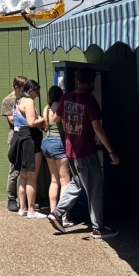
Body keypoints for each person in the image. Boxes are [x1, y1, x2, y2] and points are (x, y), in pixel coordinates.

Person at [48, 67, 120, 239]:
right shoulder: (90, 102)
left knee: (77, 182)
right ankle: (98, 228)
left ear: (77, 80)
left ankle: (57, 212)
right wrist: (111, 151)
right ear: (93, 83)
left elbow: (55, 118)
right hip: (86, 151)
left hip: (71, 150)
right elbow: (97, 128)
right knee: (94, 187)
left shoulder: (66, 97)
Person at [12, 80, 47, 219]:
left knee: (23, 176)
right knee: (32, 177)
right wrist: (43, 119)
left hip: (19, 140)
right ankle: (31, 210)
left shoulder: (17, 101)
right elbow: (32, 123)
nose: (37, 95)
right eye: (37, 92)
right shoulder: (29, 101)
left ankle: (22, 208)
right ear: (31, 90)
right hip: (30, 141)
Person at [41, 84, 72, 213]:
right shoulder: (60, 106)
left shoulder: (46, 108)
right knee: (65, 181)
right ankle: (62, 216)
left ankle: (53, 212)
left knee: (54, 180)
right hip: (58, 142)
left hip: (46, 142)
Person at [2, 75, 27, 212]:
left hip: (27, 137)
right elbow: (12, 120)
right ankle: (11, 198)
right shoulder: (8, 100)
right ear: (16, 87)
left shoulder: (26, 99)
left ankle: (25, 199)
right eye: (23, 88)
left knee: (27, 168)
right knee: (14, 169)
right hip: (15, 138)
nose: (25, 91)